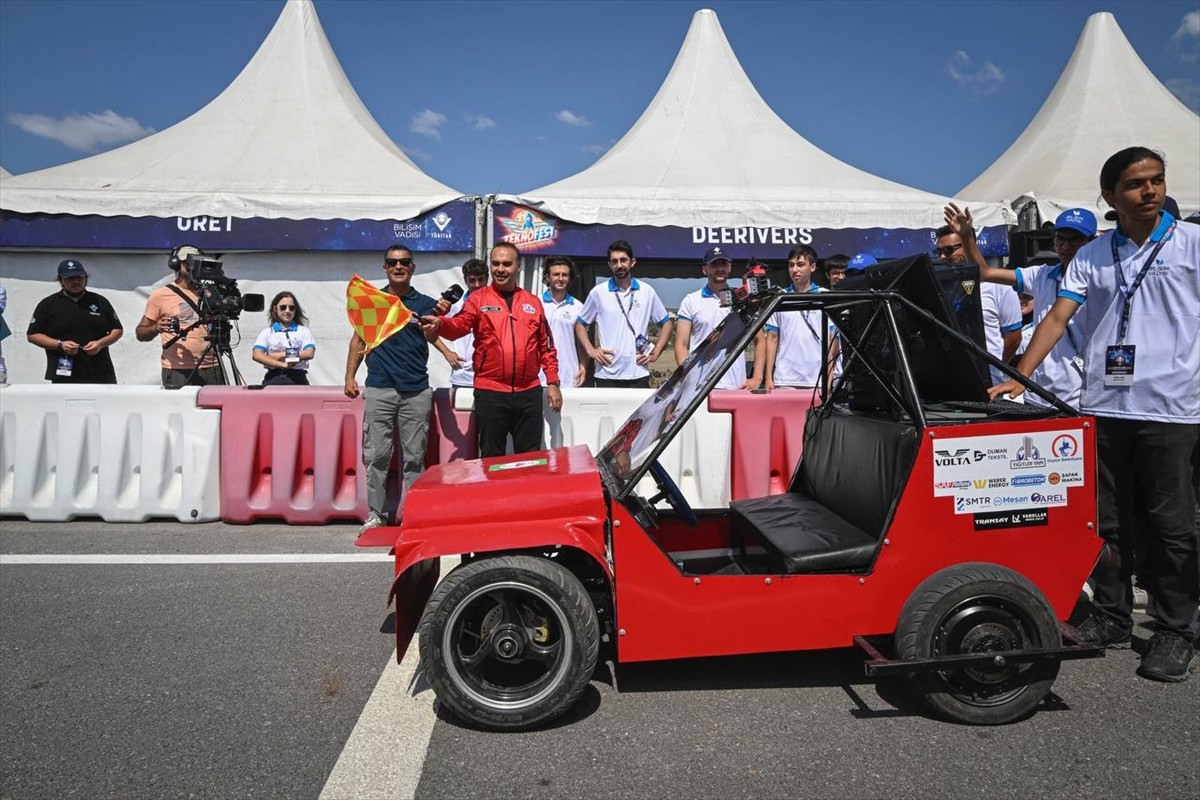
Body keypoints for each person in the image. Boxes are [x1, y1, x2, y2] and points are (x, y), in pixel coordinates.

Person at [991, 147, 1199, 682]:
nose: (1148, 191)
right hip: (1105, 403)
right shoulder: (1092, 255)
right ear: (1110, 196)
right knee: (1107, 520)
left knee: (1171, 523)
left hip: (1173, 408)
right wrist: (1017, 377)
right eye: (1135, 184)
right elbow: (1058, 318)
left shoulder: (1193, 244)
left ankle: (1175, 627)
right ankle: (1111, 614)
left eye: (1156, 180)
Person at [944, 203, 1095, 408]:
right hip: (1038, 393)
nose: (1066, 246)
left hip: (1082, 395)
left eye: (1075, 239)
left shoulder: (1101, 281)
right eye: (1061, 238)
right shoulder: (1042, 274)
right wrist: (967, 236)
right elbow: (984, 273)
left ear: (1091, 242)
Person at [421, 242, 562, 457]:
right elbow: (459, 325)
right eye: (495, 264)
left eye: (506, 264)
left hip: (528, 392)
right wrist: (440, 323)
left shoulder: (532, 302)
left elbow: (546, 345)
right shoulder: (478, 299)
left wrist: (552, 382)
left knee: (531, 458)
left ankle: (525, 492)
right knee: (491, 456)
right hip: (491, 392)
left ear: (518, 267)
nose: (500, 269)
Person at [344, 245, 441, 533]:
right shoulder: (374, 301)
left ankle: (412, 516)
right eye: (392, 262)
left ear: (413, 267)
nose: (399, 267)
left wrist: (438, 331)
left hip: (415, 391)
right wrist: (350, 376)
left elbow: (432, 333)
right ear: (384, 267)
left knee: (414, 457)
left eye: (404, 262)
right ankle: (376, 514)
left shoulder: (424, 303)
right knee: (377, 457)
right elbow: (358, 341)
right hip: (379, 389)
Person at [576, 240, 673, 388]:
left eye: (623, 260)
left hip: (638, 372)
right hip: (606, 374)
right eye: (614, 261)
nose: (619, 265)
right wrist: (591, 350)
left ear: (632, 262)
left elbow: (666, 324)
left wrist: (656, 352)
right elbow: (580, 324)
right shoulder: (598, 293)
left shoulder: (646, 291)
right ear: (609, 265)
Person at [934, 224, 1023, 384]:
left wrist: (993, 366)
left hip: (988, 382)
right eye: (938, 252)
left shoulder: (999, 286)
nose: (942, 257)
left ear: (969, 246)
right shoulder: (936, 286)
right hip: (948, 380)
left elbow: (1014, 338)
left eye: (948, 250)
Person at [675, 247, 764, 389]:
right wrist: (687, 378)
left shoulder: (743, 300)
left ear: (729, 267)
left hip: (736, 385)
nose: (720, 268)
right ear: (705, 269)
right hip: (700, 388)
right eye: (714, 264)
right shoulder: (691, 300)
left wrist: (757, 377)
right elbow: (681, 344)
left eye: (723, 264)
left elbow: (760, 340)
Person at [135, 245, 222, 388]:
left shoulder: (212, 293)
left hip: (212, 366)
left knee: (214, 410)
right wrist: (156, 328)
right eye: (188, 262)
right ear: (176, 264)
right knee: (179, 409)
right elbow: (140, 333)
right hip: (177, 369)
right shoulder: (160, 295)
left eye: (197, 262)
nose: (193, 266)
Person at [26, 259, 122, 384]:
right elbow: (33, 335)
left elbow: (117, 329)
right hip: (64, 373)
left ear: (86, 278)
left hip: (100, 372)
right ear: (61, 280)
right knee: (64, 403)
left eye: (80, 277)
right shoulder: (48, 304)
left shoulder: (100, 301)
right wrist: (60, 344)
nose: (76, 281)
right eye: (70, 278)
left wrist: (100, 344)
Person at [765, 245, 837, 391]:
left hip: (816, 379)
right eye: (791, 265)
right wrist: (768, 377)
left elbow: (833, 341)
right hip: (785, 379)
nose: (794, 270)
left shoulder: (825, 296)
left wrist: (829, 380)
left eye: (800, 264)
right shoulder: (780, 298)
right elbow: (772, 338)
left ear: (813, 267)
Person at [435, 258, 489, 390]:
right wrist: (446, 352)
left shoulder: (497, 304)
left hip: (490, 376)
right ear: (465, 280)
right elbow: (429, 329)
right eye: (472, 280)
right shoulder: (454, 305)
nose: (476, 284)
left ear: (487, 279)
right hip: (462, 375)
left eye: (481, 279)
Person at [540, 256, 587, 388]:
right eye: (556, 274)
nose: (560, 279)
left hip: (568, 376)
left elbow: (583, 342)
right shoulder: (536, 304)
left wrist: (583, 366)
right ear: (548, 277)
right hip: (539, 376)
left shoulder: (578, 307)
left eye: (565, 275)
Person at [251, 292, 316, 386]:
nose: (287, 311)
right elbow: (256, 354)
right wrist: (280, 364)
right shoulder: (267, 332)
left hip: (297, 378)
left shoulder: (303, 331)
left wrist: (281, 355)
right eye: (283, 307)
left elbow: (309, 353)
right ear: (275, 309)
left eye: (291, 307)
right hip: (273, 377)